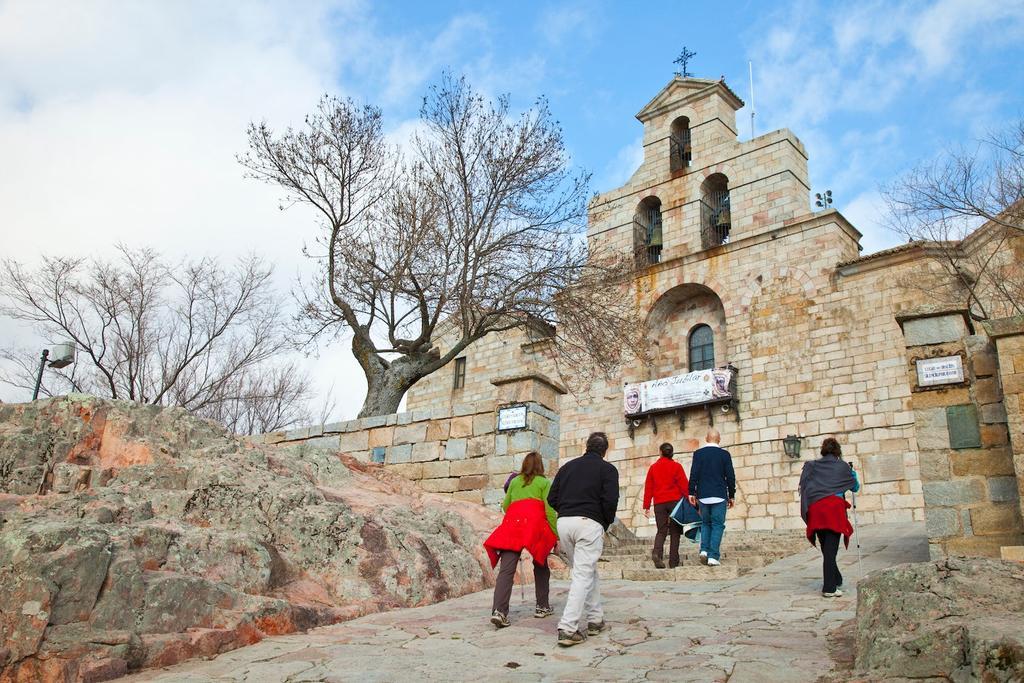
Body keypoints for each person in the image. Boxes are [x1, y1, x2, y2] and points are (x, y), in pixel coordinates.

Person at [547, 431, 619, 647]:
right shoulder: (608, 469)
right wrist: (603, 523)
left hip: (565, 523)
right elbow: (610, 501)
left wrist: (567, 510)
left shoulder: (567, 467)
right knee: (582, 574)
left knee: (586, 570)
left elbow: (552, 498)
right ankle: (568, 628)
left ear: (586, 446)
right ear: (605, 450)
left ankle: (595, 619)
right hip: (589, 523)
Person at [483, 452, 559, 627]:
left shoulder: (515, 482)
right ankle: (542, 606)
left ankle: (499, 611)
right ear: (540, 466)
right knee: (540, 564)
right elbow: (549, 510)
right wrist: (555, 535)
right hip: (535, 526)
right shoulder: (544, 483)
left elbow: (505, 505)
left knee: (506, 570)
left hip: (514, 525)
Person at [798, 437, 860, 597]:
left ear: (823, 450)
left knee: (827, 549)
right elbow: (855, 487)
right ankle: (829, 588)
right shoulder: (842, 467)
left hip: (816, 510)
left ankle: (836, 578)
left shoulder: (812, 466)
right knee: (831, 551)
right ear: (838, 451)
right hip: (833, 510)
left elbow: (804, 486)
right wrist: (852, 473)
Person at [688, 428, 736, 567]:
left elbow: (694, 473)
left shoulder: (698, 454)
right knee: (717, 525)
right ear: (719, 439)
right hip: (719, 496)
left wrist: (691, 492)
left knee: (705, 524)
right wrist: (731, 495)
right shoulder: (725, 455)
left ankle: (704, 550)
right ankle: (713, 556)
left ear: (707, 439)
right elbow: (730, 476)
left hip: (703, 496)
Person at [642, 442, 690, 568]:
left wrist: (646, 506)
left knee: (661, 531)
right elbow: (684, 485)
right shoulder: (676, 466)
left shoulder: (653, 468)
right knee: (675, 532)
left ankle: (657, 553)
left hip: (659, 504)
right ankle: (673, 562)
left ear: (660, 452)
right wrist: (690, 499)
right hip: (675, 503)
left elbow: (649, 488)